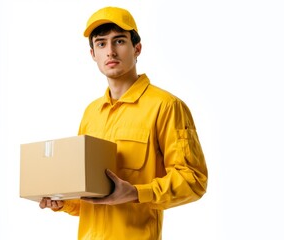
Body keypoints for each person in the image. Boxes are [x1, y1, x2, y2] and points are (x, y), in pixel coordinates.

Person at [39, 6, 208, 240]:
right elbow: (89, 199)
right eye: (101, 43)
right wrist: (62, 202)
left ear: (136, 48)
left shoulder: (166, 106)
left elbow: (193, 180)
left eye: (119, 41)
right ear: (93, 55)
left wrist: (137, 193)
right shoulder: (91, 113)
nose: (110, 51)